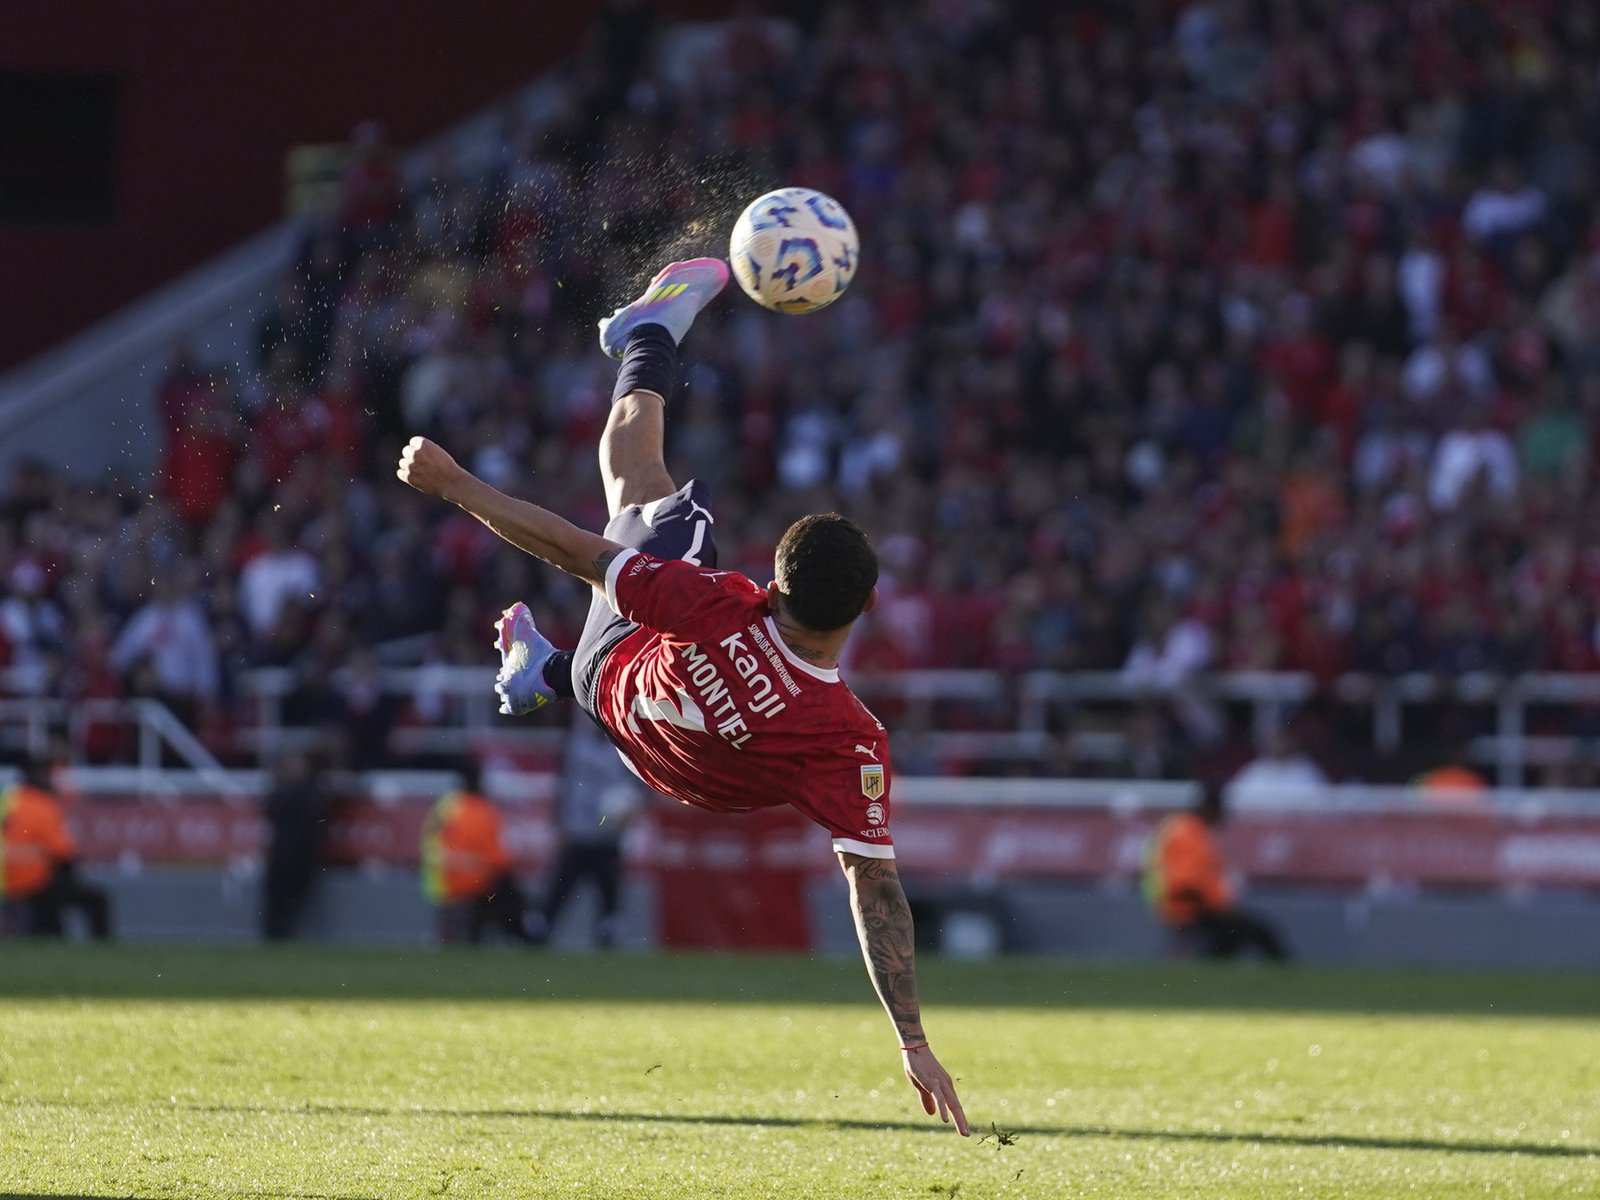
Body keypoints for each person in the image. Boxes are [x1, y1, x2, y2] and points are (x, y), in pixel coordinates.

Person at [396, 258, 968, 1135]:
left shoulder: (723, 606)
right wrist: (911, 1041)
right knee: (639, 510)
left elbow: (573, 549)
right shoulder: (850, 742)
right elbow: (876, 893)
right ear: (867, 608)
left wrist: (455, 486)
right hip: (652, 754)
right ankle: (536, 671)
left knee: (647, 501)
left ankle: (647, 336)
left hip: (611, 678)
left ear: (772, 589)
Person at [527, 717, 645, 949]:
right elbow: (563, 788)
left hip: (608, 836)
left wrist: (631, 808)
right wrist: (559, 823)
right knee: (561, 888)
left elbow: (638, 787)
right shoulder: (573, 745)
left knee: (609, 892)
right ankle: (539, 929)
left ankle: (608, 933)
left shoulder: (623, 747)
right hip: (577, 833)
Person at [1144, 784, 1289, 961]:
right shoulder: (1187, 833)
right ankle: (1289, 977)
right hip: (1191, 909)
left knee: (1232, 938)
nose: (1223, 816)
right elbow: (1185, 882)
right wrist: (1219, 908)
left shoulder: (1187, 828)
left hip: (1191, 907)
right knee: (1260, 932)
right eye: (1221, 810)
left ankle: (1211, 968)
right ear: (1209, 808)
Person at [421, 760, 535, 944]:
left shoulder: (443, 807)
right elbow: (499, 859)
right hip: (473, 887)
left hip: (440, 886)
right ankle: (526, 936)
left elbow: (428, 846)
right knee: (507, 893)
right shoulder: (484, 812)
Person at [1, 757, 112, 940]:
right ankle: (102, 949)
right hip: (33, 883)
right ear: (39, 776)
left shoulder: (5, 799)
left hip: (5, 882)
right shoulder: (45, 805)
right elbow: (63, 853)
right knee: (95, 899)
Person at [260, 749, 329, 940]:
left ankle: (285, 933)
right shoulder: (283, 790)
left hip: (303, 853)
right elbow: (270, 811)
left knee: (296, 898)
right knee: (276, 897)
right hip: (282, 852)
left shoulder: (312, 790)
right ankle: (273, 934)